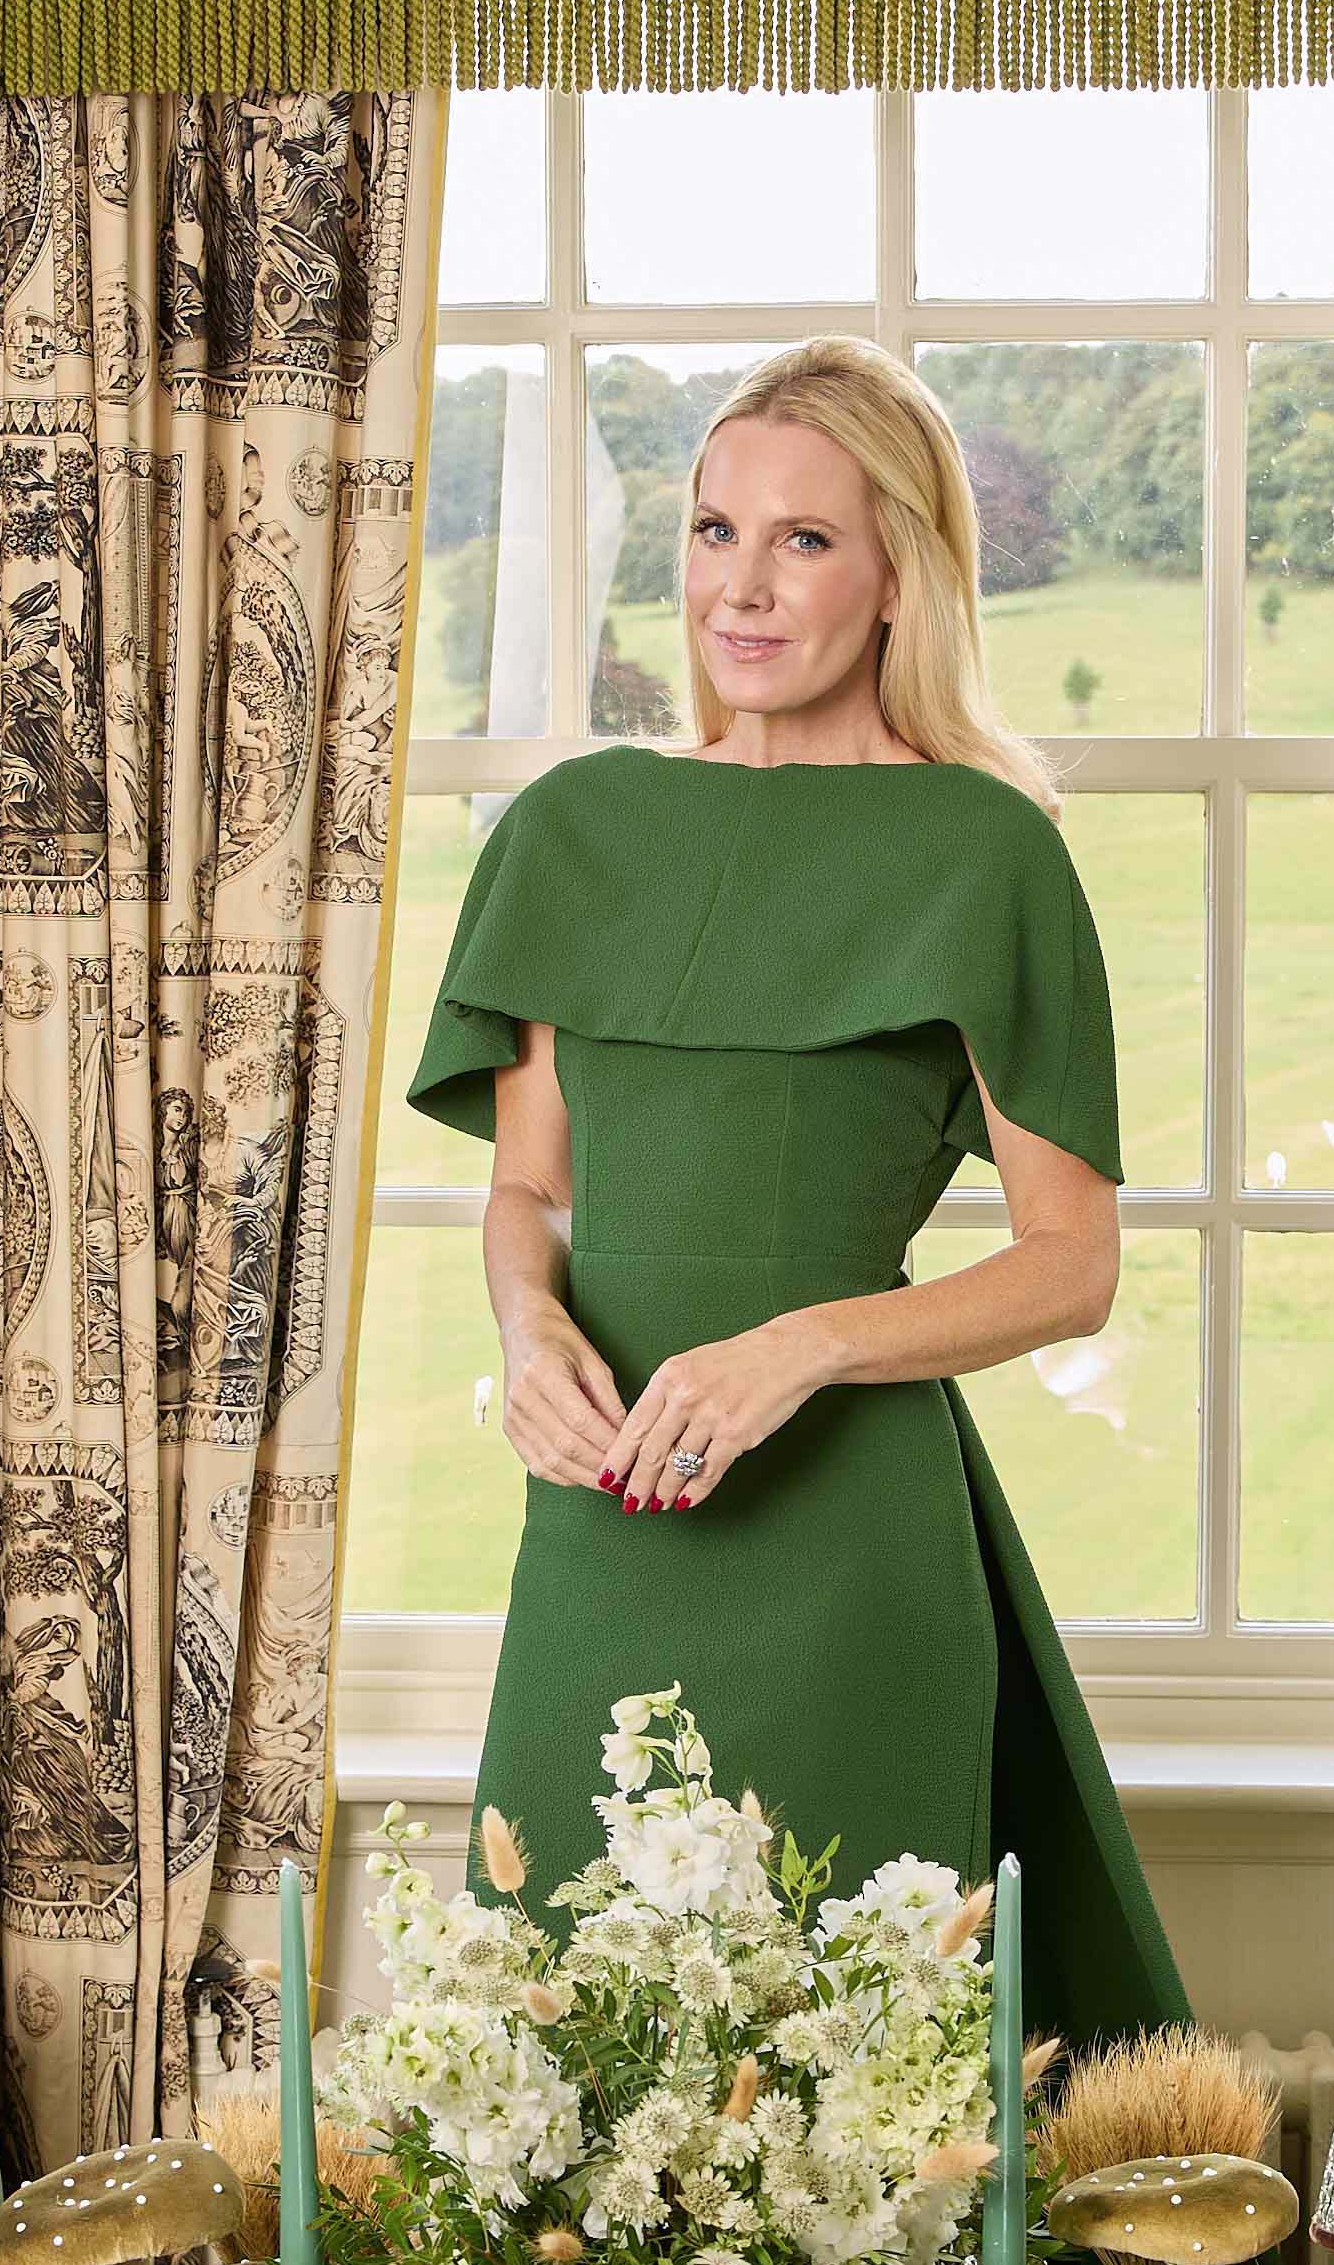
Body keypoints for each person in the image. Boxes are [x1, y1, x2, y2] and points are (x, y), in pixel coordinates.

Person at [405, 337, 1189, 2045]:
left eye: (804, 541)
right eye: (710, 532)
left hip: (852, 1559)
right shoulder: (573, 832)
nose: (740, 589)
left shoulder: (986, 854)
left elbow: (1070, 1266)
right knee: (559, 2079)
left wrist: (806, 1348)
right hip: (599, 1527)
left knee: (859, 2091)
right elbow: (528, 1194)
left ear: (900, 570)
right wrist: (530, 1331)